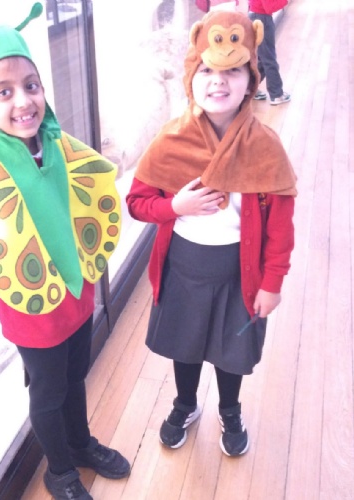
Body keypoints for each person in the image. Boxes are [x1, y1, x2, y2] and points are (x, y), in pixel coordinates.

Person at [0, 2, 129, 498]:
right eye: (4, 92)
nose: (24, 101)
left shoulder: (58, 145)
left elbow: (85, 196)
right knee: (48, 390)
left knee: (76, 375)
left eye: (31, 85)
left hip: (76, 291)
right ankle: (59, 470)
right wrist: (16, 293)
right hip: (31, 306)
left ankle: (80, 444)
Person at [126, 10, 297, 457]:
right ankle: (185, 403)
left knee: (231, 350)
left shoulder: (265, 148)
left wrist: (272, 283)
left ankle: (230, 409)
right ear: (191, 78)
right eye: (206, 70)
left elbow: (281, 226)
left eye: (232, 70)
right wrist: (174, 207)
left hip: (240, 272)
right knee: (184, 345)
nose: (218, 81)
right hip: (183, 267)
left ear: (251, 80)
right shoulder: (171, 141)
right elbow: (137, 203)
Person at [248, 0, 291, 105]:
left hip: (256, 16)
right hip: (262, 19)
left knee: (263, 59)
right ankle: (276, 95)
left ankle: (249, 88)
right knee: (269, 59)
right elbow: (269, 7)